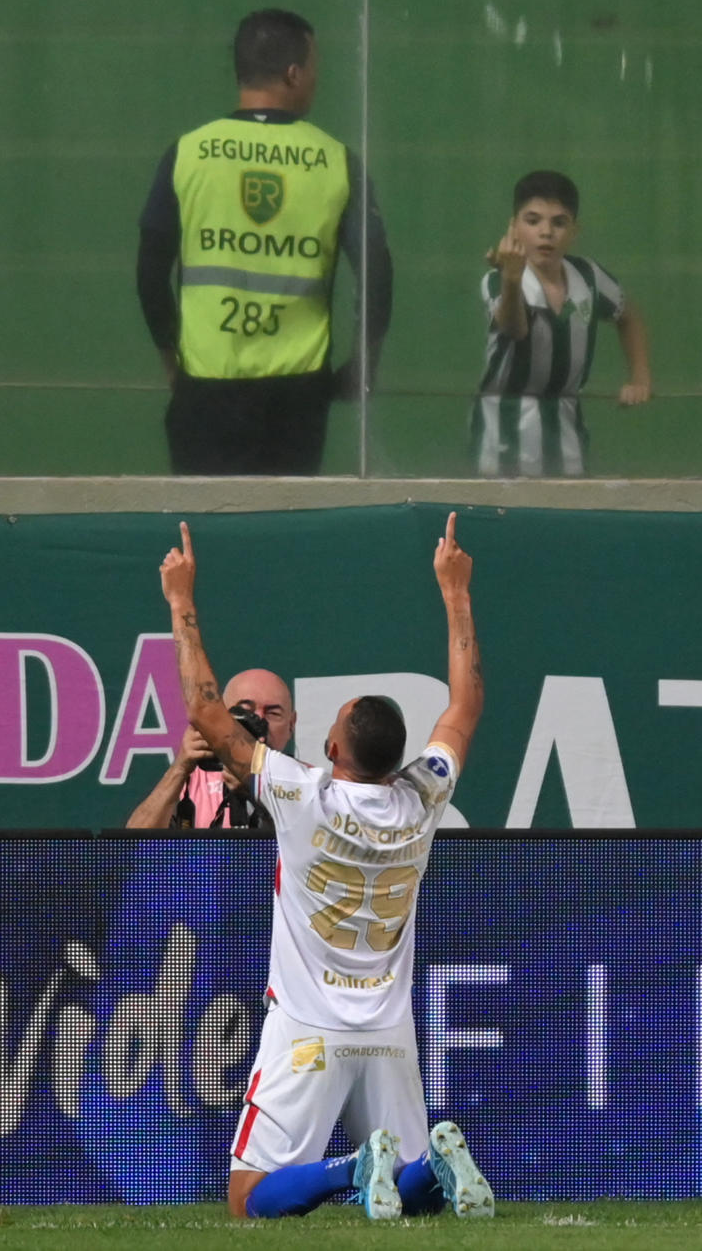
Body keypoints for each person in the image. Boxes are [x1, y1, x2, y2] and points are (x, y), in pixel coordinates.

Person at [158, 513, 492, 1221]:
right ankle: (436, 1162)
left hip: (308, 1026)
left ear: (335, 747)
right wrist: (455, 592)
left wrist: (182, 602)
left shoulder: (304, 794)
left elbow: (206, 712)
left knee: (246, 1197)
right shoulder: (423, 793)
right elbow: (465, 704)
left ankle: (348, 1164)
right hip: (388, 1030)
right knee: (409, 1191)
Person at [137, 8, 392, 475]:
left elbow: (150, 273)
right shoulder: (336, 161)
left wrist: (171, 358)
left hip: (206, 389)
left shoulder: (189, 153)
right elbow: (378, 275)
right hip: (296, 398)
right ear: (293, 74)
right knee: (284, 534)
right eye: (314, 68)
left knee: (203, 535)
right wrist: (363, 364)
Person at [472, 170, 652, 477]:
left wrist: (640, 378)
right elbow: (514, 329)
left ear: (574, 231)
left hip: (567, 441)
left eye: (559, 222)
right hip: (503, 447)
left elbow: (628, 315)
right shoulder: (496, 280)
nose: (546, 232)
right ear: (514, 227)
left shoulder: (589, 277)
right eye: (533, 221)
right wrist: (512, 279)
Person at [125, 668, 296, 829]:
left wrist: (257, 793)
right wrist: (180, 768)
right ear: (220, 716)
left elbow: (311, 849)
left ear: (291, 724)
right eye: (245, 712)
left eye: (273, 713)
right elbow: (133, 848)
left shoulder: (307, 783)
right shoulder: (192, 784)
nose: (258, 721)